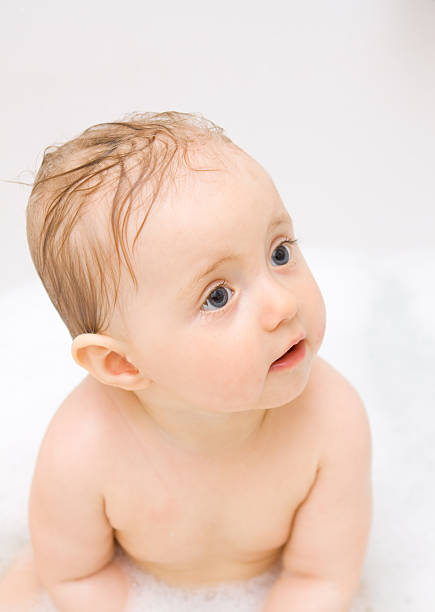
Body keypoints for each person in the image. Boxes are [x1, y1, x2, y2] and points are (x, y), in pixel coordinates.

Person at [0, 111, 372, 612]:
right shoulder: (82, 451)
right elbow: (76, 578)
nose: (283, 305)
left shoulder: (331, 420)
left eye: (279, 253)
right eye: (218, 296)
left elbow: (319, 580)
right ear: (121, 365)